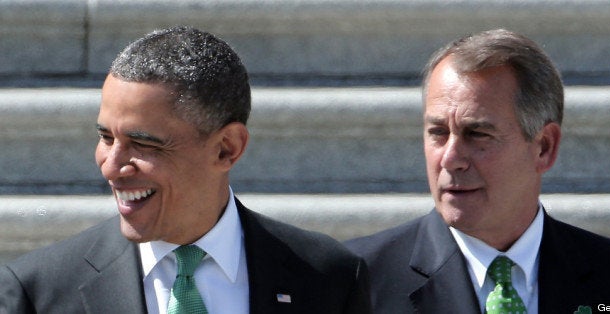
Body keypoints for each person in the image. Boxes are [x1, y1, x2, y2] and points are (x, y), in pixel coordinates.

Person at [0, 26, 371, 314]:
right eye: (106, 137)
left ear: (227, 149)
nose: (111, 167)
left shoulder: (328, 277)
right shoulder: (40, 291)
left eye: (144, 143)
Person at [346, 29, 610, 313]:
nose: (451, 158)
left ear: (543, 147)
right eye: (438, 132)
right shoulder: (355, 281)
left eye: (477, 133)